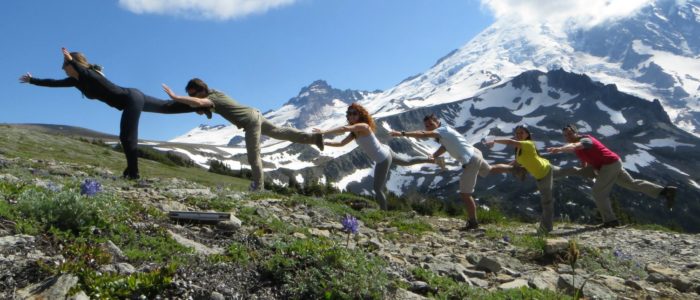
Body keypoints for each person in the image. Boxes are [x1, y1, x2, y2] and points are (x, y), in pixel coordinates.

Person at [19, 48, 206, 180]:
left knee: (127, 136)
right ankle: (199, 106)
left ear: (74, 65)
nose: (63, 69)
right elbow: (53, 83)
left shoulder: (90, 75)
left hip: (131, 98)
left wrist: (71, 61)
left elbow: (84, 71)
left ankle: (133, 173)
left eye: (65, 65)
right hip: (132, 97)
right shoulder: (76, 81)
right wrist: (32, 80)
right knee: (166, 107)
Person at [162, 78, 325, 191]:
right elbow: (209, 106)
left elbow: (201, 103)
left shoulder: (210, 99)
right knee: (280, 132)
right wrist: (204, 110)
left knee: (254, 156)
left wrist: (175, 97)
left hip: (250, 122)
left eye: (193, 94)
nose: (192, 97)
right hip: (255, 113)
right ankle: (314, 138)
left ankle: (258, 189)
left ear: (202, 90)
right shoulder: (216, 93)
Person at [546, 124, 677, 228]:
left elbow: (576, 146)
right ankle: (665, 191)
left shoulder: (586, 139)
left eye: (570, 133)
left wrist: (560, 149)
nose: (568, 136)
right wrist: (586, 170)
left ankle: (610, 221)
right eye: (565, 135)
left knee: (598, 192)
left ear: (576, 133)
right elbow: (584, 159)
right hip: (610, 163)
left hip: (610, 165)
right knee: (631, 183)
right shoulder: (577, 146)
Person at [312, 103, 436, 210]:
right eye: (349, 114)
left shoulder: (363, 126)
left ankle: (384, 214)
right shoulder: (354, 133)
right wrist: (324, 142)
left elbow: (344, 128)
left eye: (354, 113)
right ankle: (432, 159)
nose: (351, 116)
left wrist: (323, 132)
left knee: (377, 189)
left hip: (383, 158)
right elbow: (340, 143)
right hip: (385, 150)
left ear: (360, 115)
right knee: (407, 161)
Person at [389, 113, 491, 230]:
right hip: (475, 152)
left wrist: (402, 134)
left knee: (465, 194)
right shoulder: (444, 131)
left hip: (471, 160)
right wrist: (434, 155)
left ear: (437, 122)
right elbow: (445, 146)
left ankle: (473, 223)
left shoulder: (441, 131)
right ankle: (512, 168)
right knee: (491, 169)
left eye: (431, 124)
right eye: (427, 126)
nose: (430, 127)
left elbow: (423, 134)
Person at [485, 125, 560, 233]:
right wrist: (508, 167)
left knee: (546, 202)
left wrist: (494, 140)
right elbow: (518, 161)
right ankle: (586, 171)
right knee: (569, 171)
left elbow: (510, 142)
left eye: (522, 133)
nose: (519, 135)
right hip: (545, 168)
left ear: (527, 134)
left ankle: (546, 229)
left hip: (544, 174)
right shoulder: (519, 148)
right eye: (517, 133)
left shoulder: (528, 144)